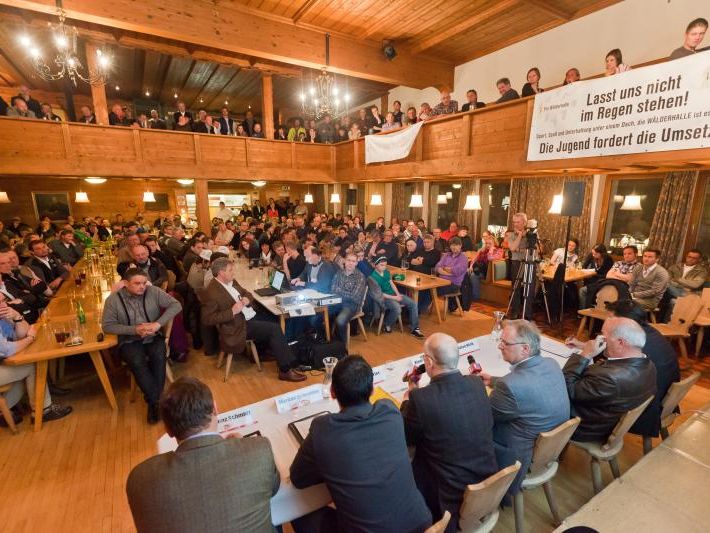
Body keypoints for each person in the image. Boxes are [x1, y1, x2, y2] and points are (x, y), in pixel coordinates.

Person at [290, 355, 432, 533]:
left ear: (333, 392)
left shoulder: (323, 429)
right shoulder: (389, 410)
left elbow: (298, 478)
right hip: (421, 525)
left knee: (297, 513)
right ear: (372, 390)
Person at [126, 377, 279, 533]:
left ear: (168, 430)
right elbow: (273, 488)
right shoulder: (258, 449)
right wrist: (242, 446)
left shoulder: (139, 479)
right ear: (215, 409)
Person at [401, 333, 497, 531]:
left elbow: (406, 436)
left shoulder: (420, 399)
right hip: (489, 481)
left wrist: (407, 401)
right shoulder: (477, 383)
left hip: (449, 494)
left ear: (428, 361)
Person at [479, 320, 569, 498]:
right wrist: (493, 380)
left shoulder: (510, 385)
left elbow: (483, 419)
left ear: (525, 349)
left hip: (517, 457)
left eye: (505, 343)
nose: (499, 346)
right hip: (547, 451)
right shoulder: (551, 364)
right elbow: (527, 385)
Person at [201, 258, 305, 382]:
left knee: (275, 317)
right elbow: (207, 319)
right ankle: (285, 369)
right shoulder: (212, 292)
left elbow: (247, 293)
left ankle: (268, 352)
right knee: (274, 329)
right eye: (230, 270)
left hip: (248, 316)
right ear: (221, 273)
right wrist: (232, 311)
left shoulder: (231, 282)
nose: (233, 272)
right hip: (237, 326)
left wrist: (246, 299)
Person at [102, 269, 182, 423]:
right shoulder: (113, 300)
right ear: (125, 283)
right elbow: (107, 326)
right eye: (137, 283)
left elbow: (176, 305)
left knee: (159, 356)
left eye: (144, 283)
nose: (142, 287)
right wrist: (134, 330)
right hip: (129, 339)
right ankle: (156, 401)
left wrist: (158, 324)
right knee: (137, 362)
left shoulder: (153, 291)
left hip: (153, 336)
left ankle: (153, 402)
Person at [563, 317, 657, 442]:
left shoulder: (610, 378)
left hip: (583, 427)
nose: (598, 340)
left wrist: (584, 355)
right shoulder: (648, 365)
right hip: (604, 418)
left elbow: (565, 387)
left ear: (620, 342)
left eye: (603, 337)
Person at [602, 300, 680, 443]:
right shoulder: (649, 333)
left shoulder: (638, 347)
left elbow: (612, 375)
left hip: (647, 411)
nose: (607, 323)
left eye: (611, 319)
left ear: (627, 323)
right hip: (663, 400)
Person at [0, 295, 72, 424]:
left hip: (3, 363)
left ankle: (4, 411)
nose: (4, 305)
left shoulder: (3, 316)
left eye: (4, 301)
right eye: (0, 302)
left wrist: (17, 317)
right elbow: (7, 349)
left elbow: (22, 333)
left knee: (24, 372)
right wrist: (30, 339)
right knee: (33, 366)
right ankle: (43, 410)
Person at [370, 256, 424, 338]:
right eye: (381, 265)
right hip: (384, 298)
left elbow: (392, 284)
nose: (384, 267)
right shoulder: (372, 277)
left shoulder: (386, 272)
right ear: (375, 265)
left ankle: (415, 328)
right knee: (397, 308)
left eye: (385, 265)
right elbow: (380, 294)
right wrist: (395, 298)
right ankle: (387, 324)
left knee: (413, 303)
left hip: (393, 295)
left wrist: (398, 294)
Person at [329, 252, 367, 341]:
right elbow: (332, 289)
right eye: (349, 260)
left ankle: (343, 345)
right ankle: (327, 340)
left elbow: (354, 296)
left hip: (352, 305)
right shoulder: (339, 273)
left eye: (353, 261)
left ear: (356, 263)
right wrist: (344, 292)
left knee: (340, 321)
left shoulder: (360, 277)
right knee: (321, 314)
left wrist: (339, 291)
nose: (350, 263)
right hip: (337, 302)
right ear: (345, 261)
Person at [506, 213, 535, 320]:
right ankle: (515, 311)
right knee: (515, 287)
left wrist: (521, 249)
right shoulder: (510, 234)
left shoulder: (531, 234)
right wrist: (519, 235)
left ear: (524, 222)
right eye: (514, 222)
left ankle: (527, 312)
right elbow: (513, 248)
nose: (515, 224)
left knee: (529, 287)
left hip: (529, 263)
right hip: (516, 262)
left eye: (518, 222)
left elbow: (535, 250)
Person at [435, 237, 469, 311]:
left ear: (460, 245)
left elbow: (457, 271)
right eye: (452, 245)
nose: (453, 247)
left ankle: (419, 309)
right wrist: (448, 271)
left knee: (432, 291)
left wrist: (444, 269)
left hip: (453, 284)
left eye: (456, 245)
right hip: (441, 281)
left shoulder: (463, 258)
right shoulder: (446, 255)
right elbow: (437, 267)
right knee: (427, 288)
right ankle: (418, 308)